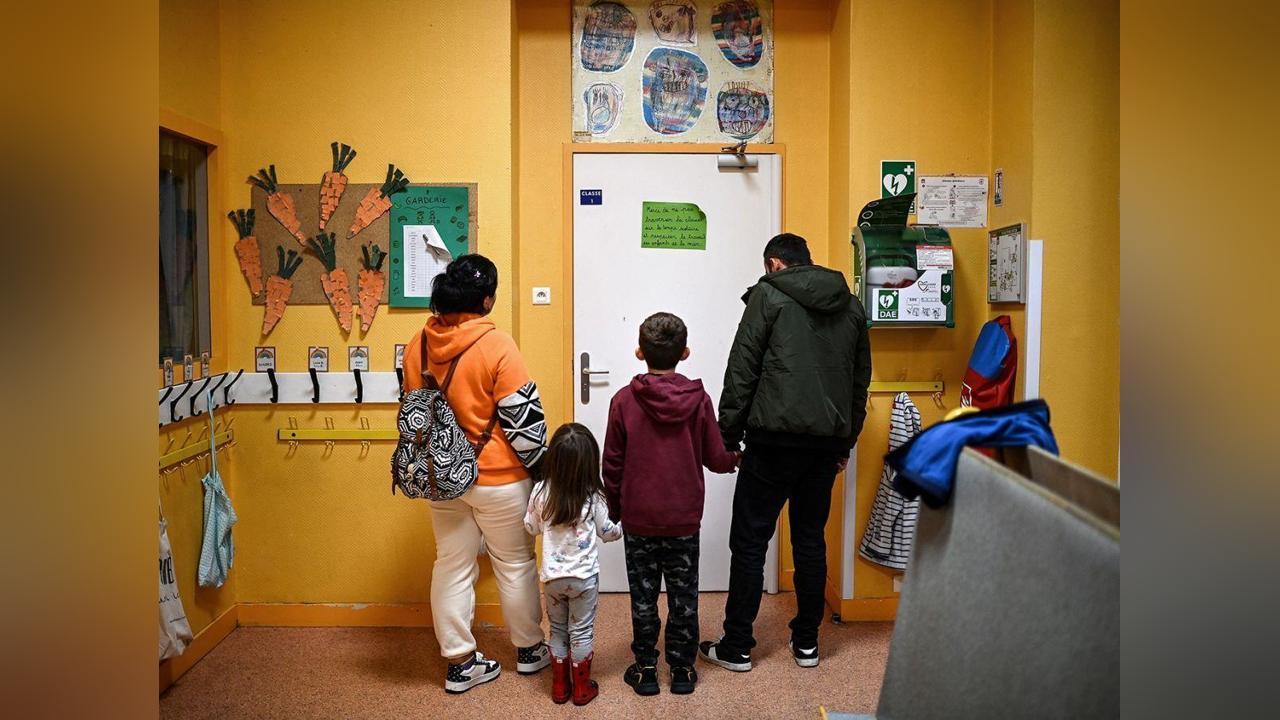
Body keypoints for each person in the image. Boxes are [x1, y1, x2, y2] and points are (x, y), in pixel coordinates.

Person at [700, 233, 872, 672]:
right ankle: (807, 644)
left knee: (751, 541)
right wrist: (845, 440)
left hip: (772, 441)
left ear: (775, 264)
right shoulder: (850, 305)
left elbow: (743, 367)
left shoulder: (768, 295)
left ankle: (738, 646)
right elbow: (859, 381)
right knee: (810, 541)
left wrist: (728, 433)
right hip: (823, 446)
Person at [401, 254, 551, 694]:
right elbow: (523, 422)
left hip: (442, 475)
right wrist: (542, 469)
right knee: (515, 563)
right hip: (500, 478)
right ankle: (528, 651)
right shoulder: (497, 344)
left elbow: (415, 414)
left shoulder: (418, 344)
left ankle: (460, 663)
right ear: (486, 300)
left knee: (451, 564)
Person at [602, 312, 740, 696]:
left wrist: (616, 508)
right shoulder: (698, 400)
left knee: (642, 596)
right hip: (683, 519)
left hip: (639, 519)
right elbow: (715, 457)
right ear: (685, 352)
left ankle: (645, 668)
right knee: (684, 596)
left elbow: (611, 463)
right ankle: (682, 670)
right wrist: (736, 459)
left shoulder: (623, 401)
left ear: (639, 351)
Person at [524, 423, 623, 706]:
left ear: (553, 458)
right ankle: (581, 689)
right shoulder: (593, 495)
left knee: (557, 630)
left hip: (553, 579)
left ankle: (559, 687)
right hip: (584, 581)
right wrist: (622, 527)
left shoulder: (542, 491)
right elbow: (608, 533)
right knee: (581, 632)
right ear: (590, 462)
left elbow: (530, 527)